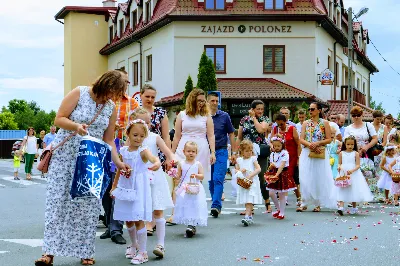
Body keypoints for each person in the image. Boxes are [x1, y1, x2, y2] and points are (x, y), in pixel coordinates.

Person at [34, 70, 130, 266]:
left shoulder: (110, 107)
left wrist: (118, 162)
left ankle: (86, 251)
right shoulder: (80, 92)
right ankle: (48, 253)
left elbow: (109, 139)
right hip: (65, 157)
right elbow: (59, 118)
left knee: (88, 206)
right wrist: (76, 127)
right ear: (106, 85)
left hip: (91, 160)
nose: (114, 97)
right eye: (114, 92)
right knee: (57, 203)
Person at [111, 119, 161, 264]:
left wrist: (156, 164)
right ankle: (134, 245)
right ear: (127, 134)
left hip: (139, 188)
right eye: (135, 135)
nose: (138, 138)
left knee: (139, 219)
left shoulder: (143, 151)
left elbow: (153, 159)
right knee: (128, 218)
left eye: (141, 136)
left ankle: (143, 252)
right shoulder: (124, 150)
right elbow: (120, 169)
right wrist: (114, 187)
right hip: (125, 186)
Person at [130, 107, 175, 257]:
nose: (147, 125)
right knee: (139, 214)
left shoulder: (154, 137)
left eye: (149, 122)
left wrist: (167, 160)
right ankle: (137, 245)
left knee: (158, 210)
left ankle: (160, 244)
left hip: (154, 177)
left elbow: (168, 153)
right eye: (144, 122)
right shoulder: (132, 139)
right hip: (138, 180)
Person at [297, 102, 336, 212]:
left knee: (318, 177)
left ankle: (317, 203)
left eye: (312, 109)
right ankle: (304, 202)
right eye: (309, 109)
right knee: (304, 177)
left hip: (319, 152)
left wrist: (317, 144)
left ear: (319, 110)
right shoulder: (305, 123)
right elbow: (301, 138)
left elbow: (329, 139)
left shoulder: (325, 123)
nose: (310, 111)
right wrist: (310, 145)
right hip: (307, 151)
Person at [237, 100, 271, 213]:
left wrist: (254, 118)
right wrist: (236, 152)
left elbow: (261, 129)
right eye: (258, 109)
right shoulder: (244, 120)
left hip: (260, 151)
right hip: (246, 152)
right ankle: (249, 207)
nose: (260, 111)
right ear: (252, 109)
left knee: (261, 177)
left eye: (262, 109)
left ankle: (267, 202)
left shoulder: (264, 119)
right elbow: (239, 136)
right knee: (246, 177)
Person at [207, 92, 236, 218]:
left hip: (221, 150)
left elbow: (231, 134)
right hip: (206, 151)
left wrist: (234, 152)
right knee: (210, 180)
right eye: (212, 101)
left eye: (216, 101)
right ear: (208, 102)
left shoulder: (224, 116)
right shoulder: (203, 117)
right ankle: (215, 200)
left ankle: (216, 205)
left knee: (218, 178)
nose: (214, 103)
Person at [173, 141, 208, 238]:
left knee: (194, 205)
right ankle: (189, 223)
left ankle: (192, 225)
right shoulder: (181, 163)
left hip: (195, 188)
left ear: (196, 153)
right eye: (188, 151)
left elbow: (202, 176)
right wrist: (174, 174)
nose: (191, 153)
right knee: (187, 205)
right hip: (185, 188)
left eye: (193, 151)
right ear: (184, 152)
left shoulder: (198, 164)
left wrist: (197, 175)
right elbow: (179, 176)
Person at [343, 106, 378, 198]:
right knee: (354, 175)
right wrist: (355, 149)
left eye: (358, 115)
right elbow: (345, 141)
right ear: (351, 116)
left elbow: (375, 139)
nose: (356, 117)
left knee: (365, 173)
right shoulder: (348, 128)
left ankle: (364, 196)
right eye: (354, 115)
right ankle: (353, 197)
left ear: (362, 115)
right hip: (352, 153)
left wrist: (366, 147)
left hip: (366, 152)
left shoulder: (368, 125)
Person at [100, 124, 126, 245]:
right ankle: (110, 227)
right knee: (105, 198)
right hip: (103, 166)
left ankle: (116, 231)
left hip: (117, 168)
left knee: (117, 199)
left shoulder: (122, 137)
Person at [335, 136, 373, 215]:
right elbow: (339, 163)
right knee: (342, 188)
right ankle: (341, 207)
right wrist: (339, 166)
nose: (350, 146)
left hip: (353, 173)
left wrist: (352, 170)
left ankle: (354, 206)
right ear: (344, 144)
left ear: (354, 145)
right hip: (343, 172)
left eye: (352, 144)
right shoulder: (341, 153)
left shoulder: (355, 153)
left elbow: (358, 165)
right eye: (348, 144)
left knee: (353, 188)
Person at [270, 114, 301, 206]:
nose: (280, 126)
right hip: (280, 157)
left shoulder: (292, 129)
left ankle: (298, 197)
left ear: (285, 122)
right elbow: (271, 142)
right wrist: (273, 147)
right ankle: (285, 199)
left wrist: (299, 158)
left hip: (291, 157)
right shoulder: (275, 129)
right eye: (278, 124)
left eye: (282, 124)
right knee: (283, 178)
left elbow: (298, 144)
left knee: (290, 177)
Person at [265, 135, 296, 220]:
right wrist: (270, 170)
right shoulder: (272, 154)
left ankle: (282, 212)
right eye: (275, 146)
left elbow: (282, 165)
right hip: (274, 172)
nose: (277, 147)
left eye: (279, 146)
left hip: (282, 173)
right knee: (271, 193)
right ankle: (278, 209)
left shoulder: (285, 153)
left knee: (281, 193)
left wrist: (276, 175)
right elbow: (272, 165)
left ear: (282, 145)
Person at [140, 84, 171, 162]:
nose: (150, 99)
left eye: (152, 97)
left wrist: (168, 158)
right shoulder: (136, 113)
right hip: (139, 151)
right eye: (147, 96)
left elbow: (166, 137)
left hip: (158, 153)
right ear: (141, 95)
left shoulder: (161, 113)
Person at [234, 140, 262, 226]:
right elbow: (235, 171)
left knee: (249, 198)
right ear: (242, 151)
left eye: (250, 150)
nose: (249, 152)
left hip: (251, 182)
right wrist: (239, 171)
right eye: (246, 151)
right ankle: (249, 216)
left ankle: (247, 216)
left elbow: (258, 169)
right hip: (243, 182)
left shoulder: (253, 159)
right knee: (246, 198)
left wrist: (250, 175)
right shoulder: (239, 160)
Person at [115, 69, 139, 144]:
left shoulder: (132, 102)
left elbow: (139, 124)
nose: (125, 85)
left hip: (125, 144)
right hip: (104, 142)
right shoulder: (104, 99)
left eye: (127, 82)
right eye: (123, 81)